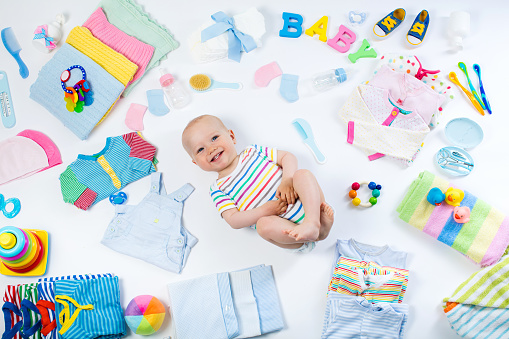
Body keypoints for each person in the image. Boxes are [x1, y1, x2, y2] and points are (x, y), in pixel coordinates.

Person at [182, 115, 334, 252]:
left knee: (302, 174)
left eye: (214, 138)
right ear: (196, 163)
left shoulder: (253, 152)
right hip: (288, 231)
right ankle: (310, 235)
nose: (210, 149)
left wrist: (287, 179)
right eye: (200, 149)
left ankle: (314, 223)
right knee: (263, 226)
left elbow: (288, 157)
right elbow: (233, 220)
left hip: (304, 204)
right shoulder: (217, 189)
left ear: (232, 136)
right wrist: (264, 211)